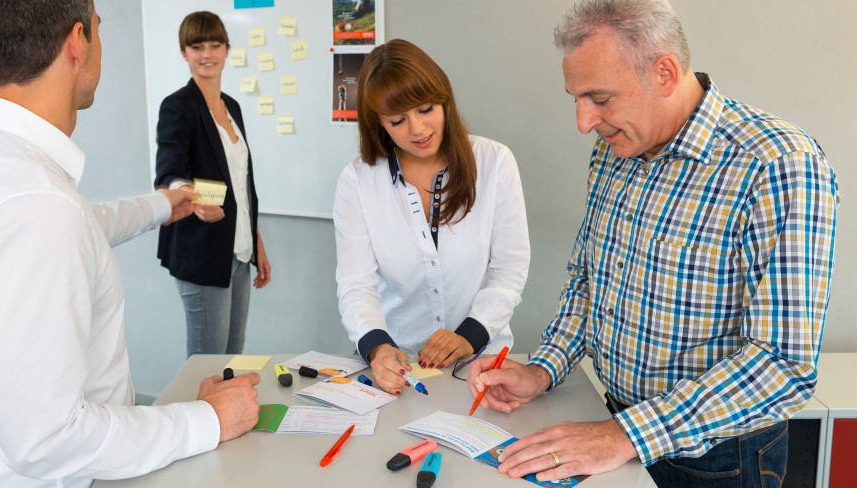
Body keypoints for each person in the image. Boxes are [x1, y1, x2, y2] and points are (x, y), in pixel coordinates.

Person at [466, 1, 838, 487]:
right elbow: (589, 279)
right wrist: (544, 368)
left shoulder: (779, 164)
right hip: (613, 425)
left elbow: (783, 365)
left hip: (717, 457)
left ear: (664, 73)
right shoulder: (614, 149)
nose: (583, 121)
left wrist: (622, 435)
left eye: (600, 98)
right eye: (575, 98)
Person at [0, 1, 261, 486]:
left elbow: (81, 225)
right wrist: (206, 420)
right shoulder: (36, 206)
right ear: (78, 41)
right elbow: (48, 439)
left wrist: (163, 205)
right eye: (100, 29)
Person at [334, 39, 530, 395]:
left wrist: (470, 335)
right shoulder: (358, 180)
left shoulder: (495, 162)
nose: (418, 130)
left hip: (480, 361)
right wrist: (378, 347)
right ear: (378, 123)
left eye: (426, 109)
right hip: (398, 366)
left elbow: (509, 269)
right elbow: (355, 284)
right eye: (397, 120)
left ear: (444, 100)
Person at [155, 11, 271, 357]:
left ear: (226, 49)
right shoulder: (178, 107)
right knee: (206, 364)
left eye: (215, 44)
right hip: (202, 250)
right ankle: (197, 414)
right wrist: (198, 199)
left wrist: (257, 242)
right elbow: (169, 173)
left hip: (238, 250)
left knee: (232, 354)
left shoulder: (232, 106)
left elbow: (241, 186)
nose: (207, 54)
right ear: (184, 53)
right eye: (197, 46)